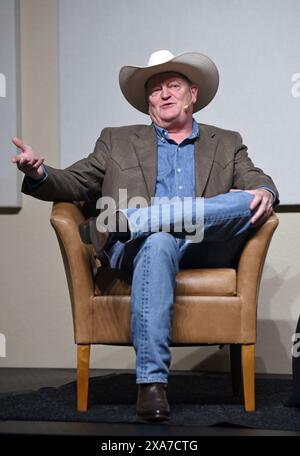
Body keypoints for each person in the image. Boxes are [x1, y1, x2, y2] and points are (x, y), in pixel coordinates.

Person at [11, 49, 279, 422]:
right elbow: (74, 180)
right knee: (159, 239)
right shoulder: (116, 140)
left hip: (203, 244)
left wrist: (264, 191)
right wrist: (39, 173)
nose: (164, 94)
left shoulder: (227, 141)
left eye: (173, 85)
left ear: (193, 94)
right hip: (141, 248)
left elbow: (256, 180)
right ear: (147, 102)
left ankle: (141, 219)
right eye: (155, 90)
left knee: (250, 200)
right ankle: (151, 384)